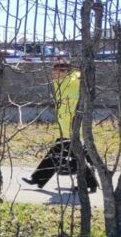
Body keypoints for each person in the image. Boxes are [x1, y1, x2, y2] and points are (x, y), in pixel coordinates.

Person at [23, 61, 97, 192]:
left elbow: (84, 78)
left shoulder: (73, 79)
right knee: (62, 153)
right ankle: (38, 178)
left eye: (58, 71)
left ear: (66, 72)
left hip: (74, 126)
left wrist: (79, 71)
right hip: (65, 126)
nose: (54, 74)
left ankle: (88, 183)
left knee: (74, 155)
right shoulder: (59, 83)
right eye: (54, 71)